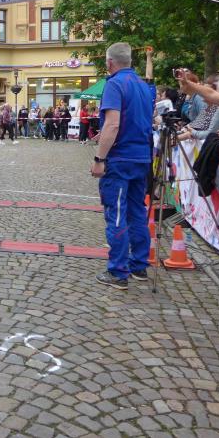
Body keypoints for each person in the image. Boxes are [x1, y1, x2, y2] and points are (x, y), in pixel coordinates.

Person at [91, 43, 154, 290]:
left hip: (120, 159)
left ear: (109, 63)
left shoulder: (115, 84)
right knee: (137, 211)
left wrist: (99, 159)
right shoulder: (143, 85)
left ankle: (118, 271)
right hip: (142, 157)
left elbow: (113, 124)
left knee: (116, 213)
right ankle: (139, 264)